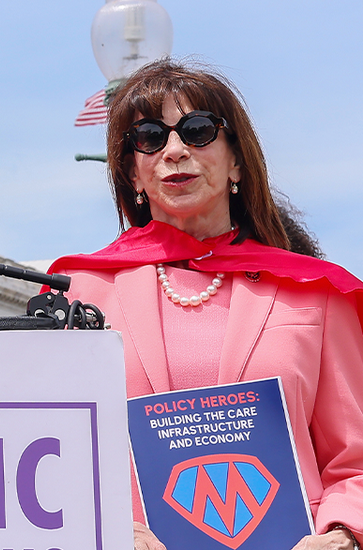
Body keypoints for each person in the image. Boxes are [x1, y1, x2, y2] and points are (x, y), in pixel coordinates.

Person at [50, 59, 363, 550]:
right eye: (150, 137)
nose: (175, 150)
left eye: (197, 131)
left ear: (237, 160)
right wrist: (101, 528)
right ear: (132, 172)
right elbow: (48, 454)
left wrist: (341, 534)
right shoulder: (77, 296)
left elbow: (355, 462)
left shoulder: (318, 294)